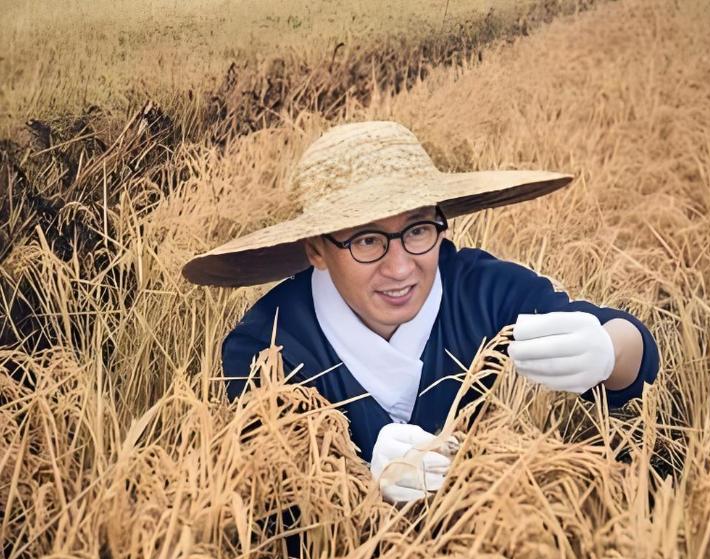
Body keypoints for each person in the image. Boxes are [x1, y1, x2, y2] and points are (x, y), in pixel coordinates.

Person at [182, 121, 659, 506]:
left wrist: (604, 350)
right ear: (316, 250)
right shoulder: (267, 347)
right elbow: (274, 497)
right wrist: (356, 472)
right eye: (367, 240)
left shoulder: (482, 291)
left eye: (417, 230)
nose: (401, 266)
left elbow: (635, 350)